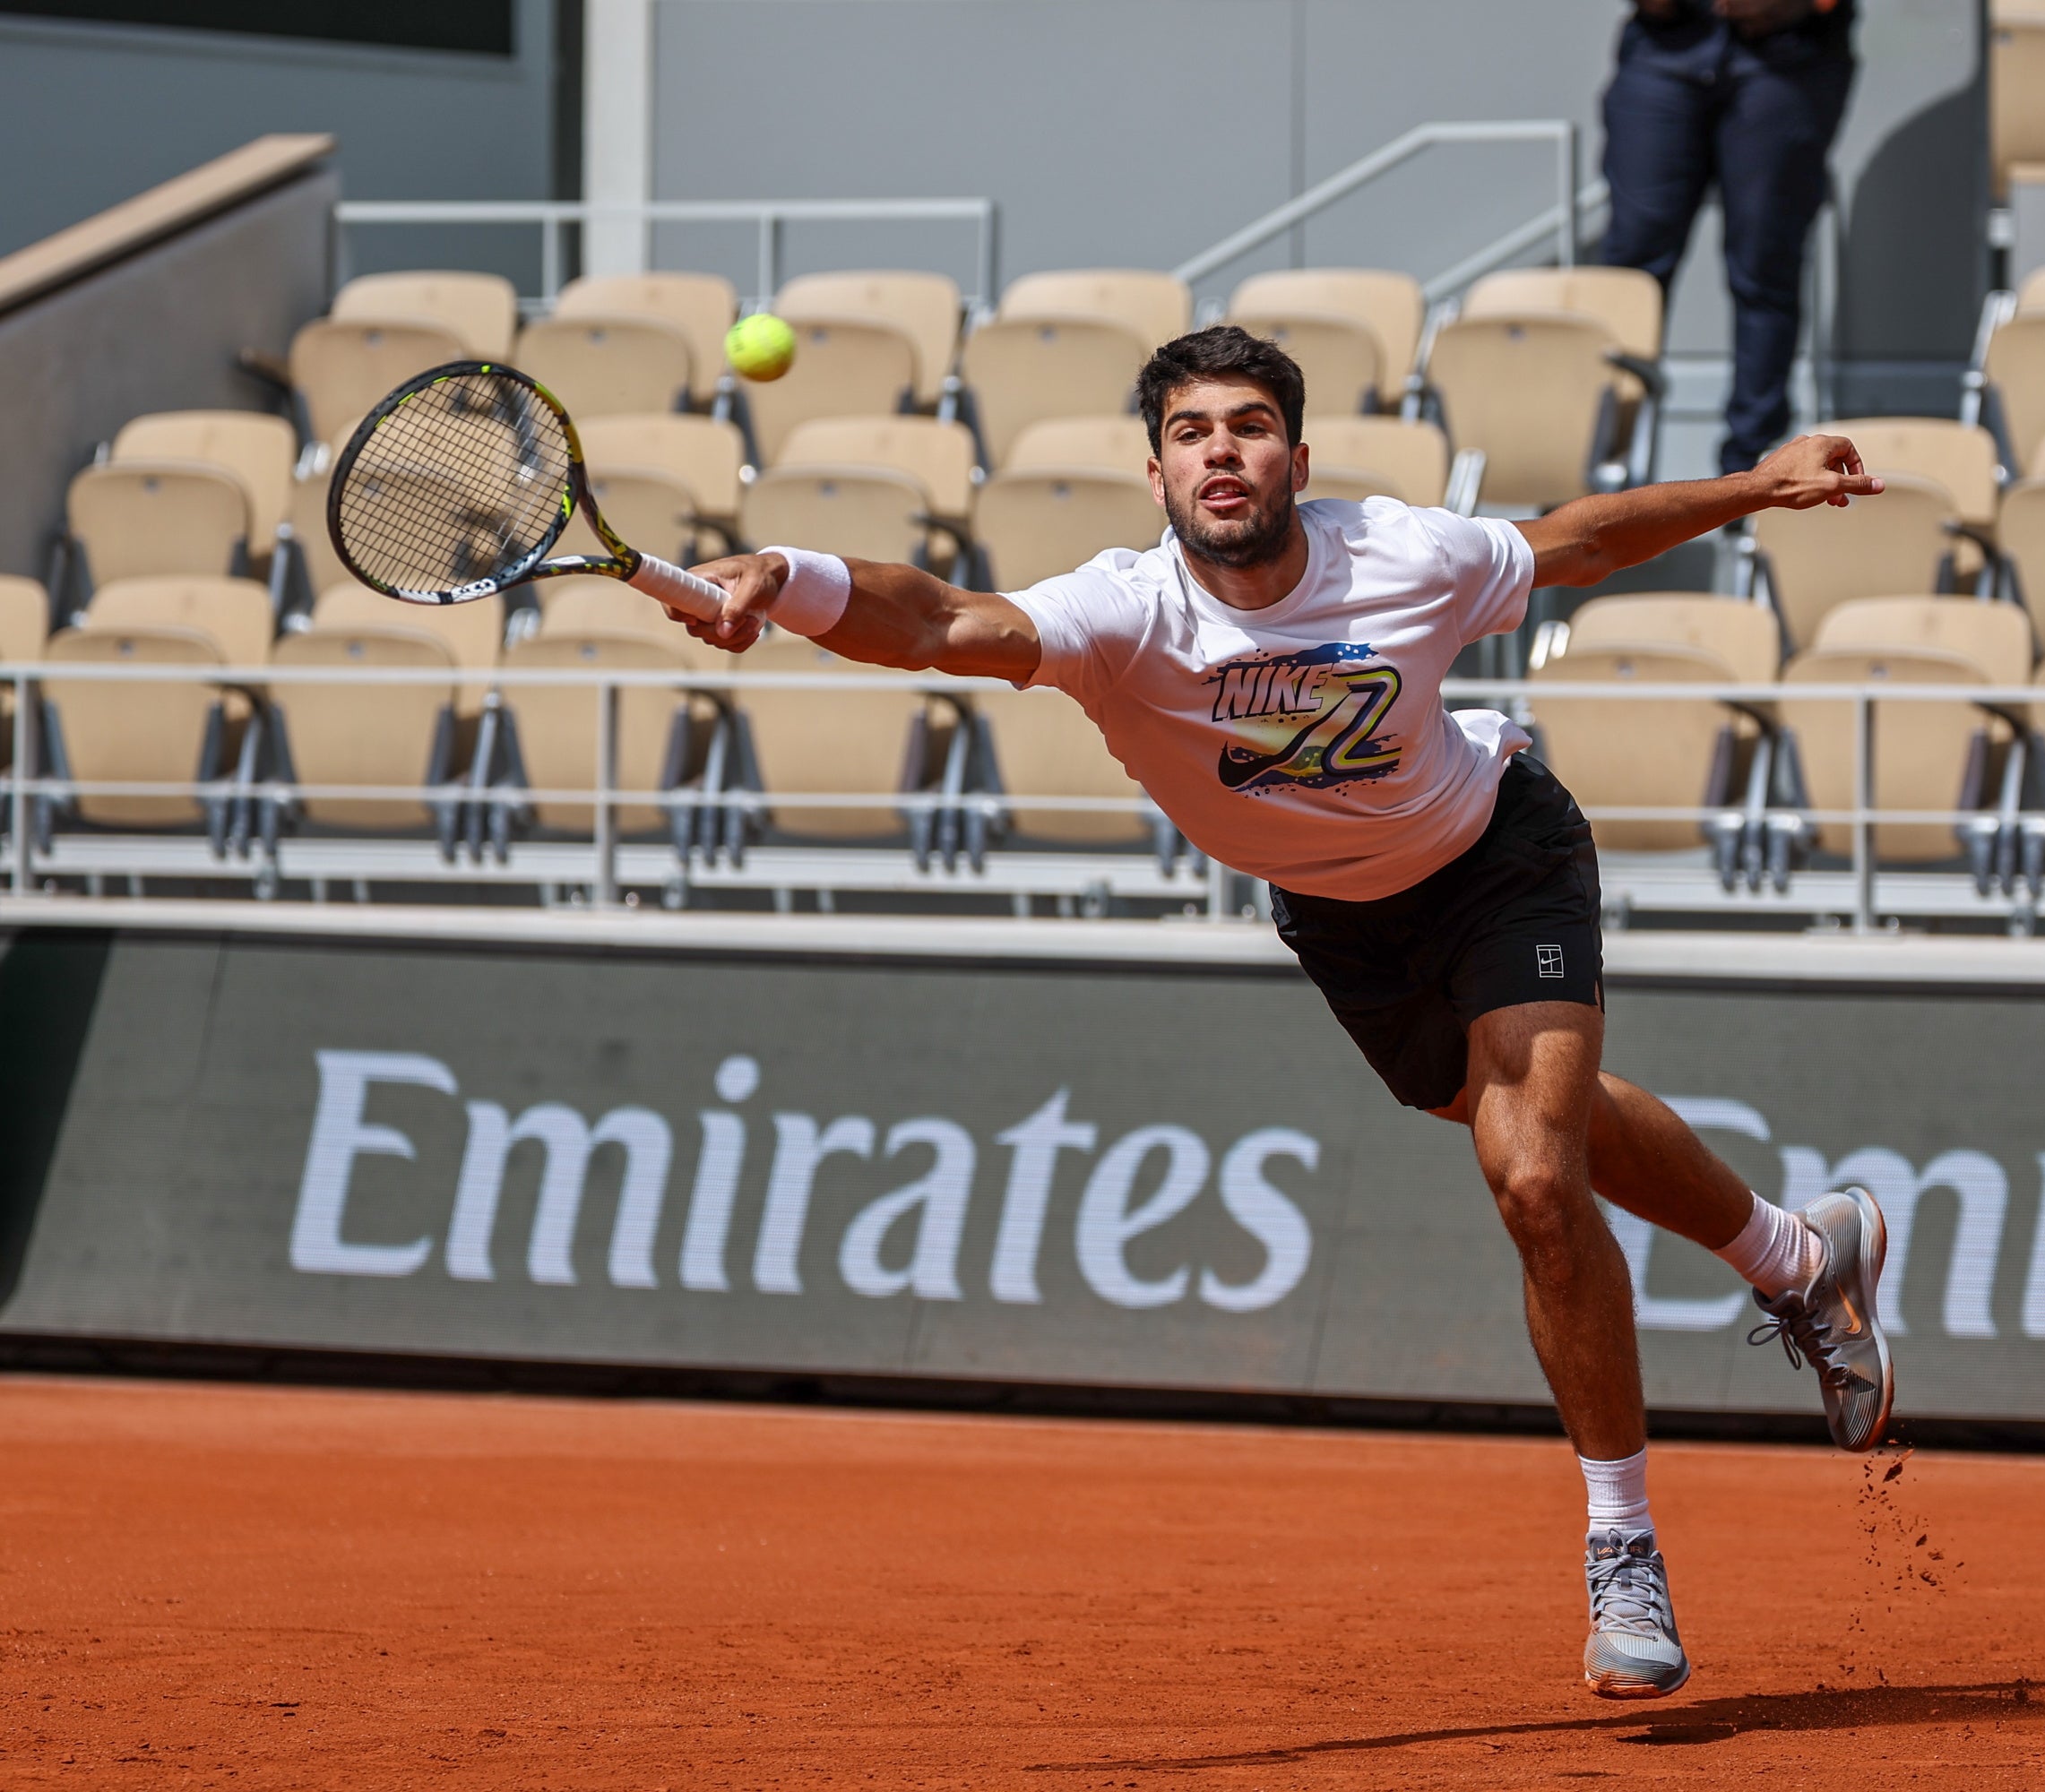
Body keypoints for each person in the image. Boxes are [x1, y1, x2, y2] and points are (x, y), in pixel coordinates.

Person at [676, 325, 1893, 1702]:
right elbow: (938, 620)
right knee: (1539, 1135)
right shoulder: (1125, 614)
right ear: (1157, 474)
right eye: (1192, 433)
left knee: (1537, 1182)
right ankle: (1799, 1253)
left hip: (1501, 858)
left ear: (1296, 460)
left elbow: (1578, 545)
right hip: (1340, 923)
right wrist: (786, 580)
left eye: (1249, 427)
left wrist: (1760, 484)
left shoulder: (1401, 555)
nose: (1223, 453)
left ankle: (1624, 1550)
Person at [1597, 0, 1857, 476]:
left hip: (1790, 53)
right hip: (1664, 44)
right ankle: (1598, 468)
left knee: (1765, 266)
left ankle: (1752, 478)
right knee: (1628, 269)